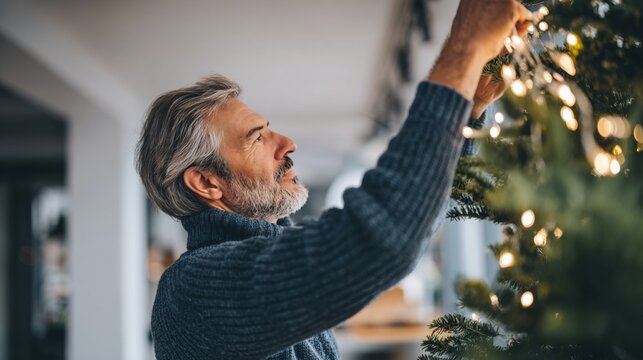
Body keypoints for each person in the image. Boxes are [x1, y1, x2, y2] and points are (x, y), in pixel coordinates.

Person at [136, 1, 532, 359]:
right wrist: (464, 49)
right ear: (206, 183)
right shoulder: (192, 293)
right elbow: (383, 240)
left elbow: (415, 218)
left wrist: (470, 110)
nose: (288, 143)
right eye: (257, 137)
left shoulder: (272, 252)